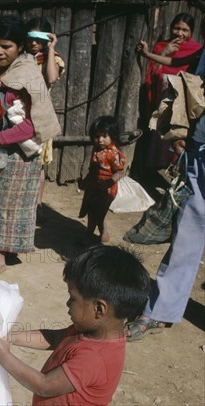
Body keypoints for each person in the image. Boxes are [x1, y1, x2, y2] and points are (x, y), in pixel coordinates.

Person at [0, 245, 150, 405]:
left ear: (99, 308)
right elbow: (54, 338)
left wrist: (2, 355)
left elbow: (44, 385)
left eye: (73, 298)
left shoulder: (94, 359)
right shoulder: (91, 329)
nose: (67, 303)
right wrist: (12, 338)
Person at [0, 16, 60, 280]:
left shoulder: (28, 75)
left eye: (6, 46)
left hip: (19, 150)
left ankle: (1, 256)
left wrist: (0, 139)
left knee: (7, 204)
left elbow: (35, 123)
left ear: (20, 46)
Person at [125, 49, 205, 342]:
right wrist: (184, 129)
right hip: (201, 152)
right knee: (187, 234)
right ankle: (160, 309)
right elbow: (194, 84)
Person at [142, 13, 202, 169]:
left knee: (179, 135)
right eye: (177, 28)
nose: (180, 33)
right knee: (162, 131)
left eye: (185, 30)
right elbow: (159, 70)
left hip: (187, 102)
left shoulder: (197, 50)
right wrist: (160, 53)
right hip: (164, 100)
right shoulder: (162, 46)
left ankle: (176, 168)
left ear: (192, 32)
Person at [25, 17, 65, 213]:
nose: (34, 43)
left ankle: (38, 205)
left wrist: (51, 49)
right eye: (30, 37)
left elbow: (51, 77)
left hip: (40, 117)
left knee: (38, 165)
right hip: (20, 115)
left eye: (38, 38)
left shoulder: (52, 58)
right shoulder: (20, 57)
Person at [78, 116, 125, 243]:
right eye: (97, 136)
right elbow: (93, 169)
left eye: (104, 136)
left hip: (106, 189)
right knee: (94, 210)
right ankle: (103, 233)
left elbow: (119, 173)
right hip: (93, 185)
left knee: (96, 212)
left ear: (112, 135)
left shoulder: (114, 153)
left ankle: (88, 235)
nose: (100, 140)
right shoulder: (96, 149)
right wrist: (86, 181)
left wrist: (108, 183)